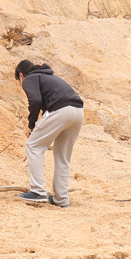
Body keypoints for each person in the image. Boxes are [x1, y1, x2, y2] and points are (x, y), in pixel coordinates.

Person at [15, 59, 84, 208]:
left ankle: (38, 192)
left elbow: (34, 100)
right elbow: (47, 110)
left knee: (33, 146)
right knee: (63, 157)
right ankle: (61, 199)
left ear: (21, 75)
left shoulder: (30, 78)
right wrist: (37, 132)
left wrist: (31, 125)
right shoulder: (50, 77)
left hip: (62, 110)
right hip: (78, 111)